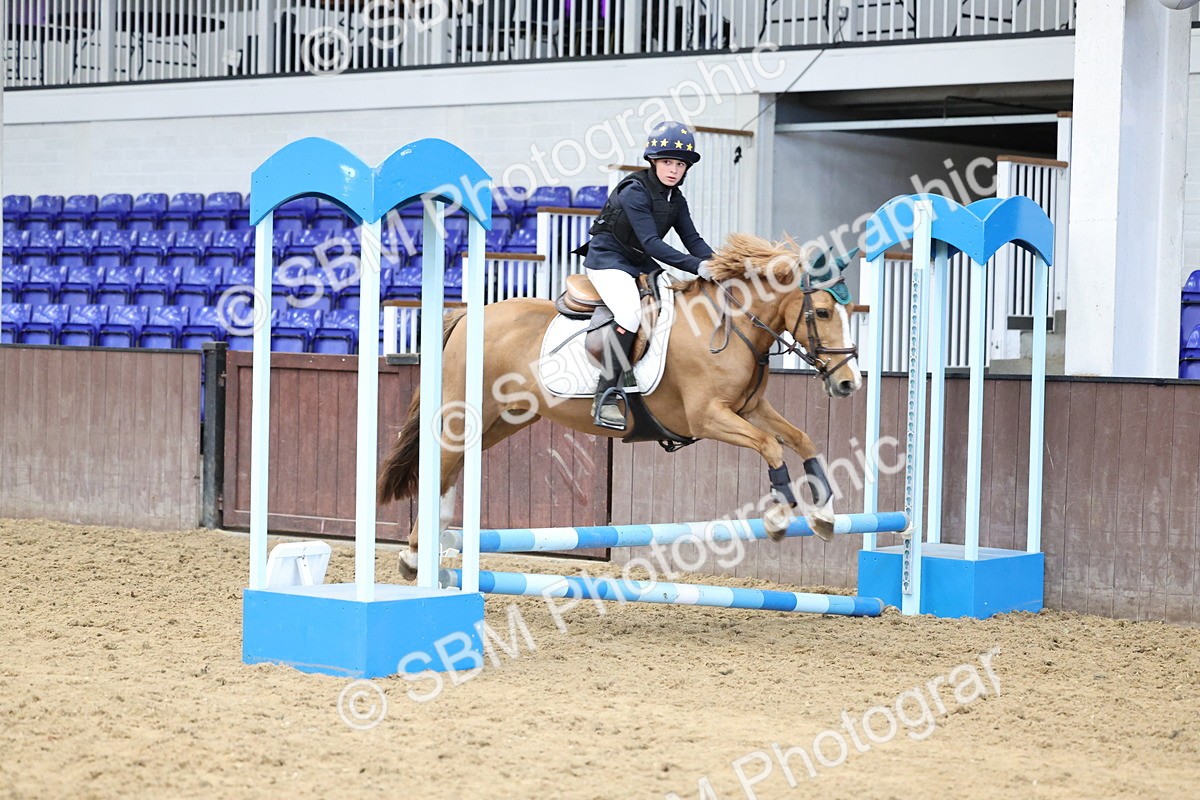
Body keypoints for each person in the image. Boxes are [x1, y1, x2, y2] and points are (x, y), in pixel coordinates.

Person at [582, 120, 716, 429]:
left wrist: (719, 264)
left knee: (675, 307)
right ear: (653, 162)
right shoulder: (634, 191)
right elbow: (652, 244)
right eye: (667, 162)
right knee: (630, 314)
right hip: (608, 260)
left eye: (679, 164)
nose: (673, 169)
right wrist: (697, 267)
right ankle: (607, 392)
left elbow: (693, 240)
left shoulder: (676, 200)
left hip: (640, 264)